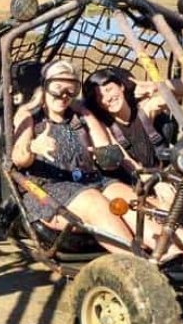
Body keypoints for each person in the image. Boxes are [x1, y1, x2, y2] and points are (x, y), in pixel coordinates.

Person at [11, 60, 140, 252]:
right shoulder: (29, 114)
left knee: (131, 199)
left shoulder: (78, 116)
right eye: (58, 89)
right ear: (45, 86)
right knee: (96, 202)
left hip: (91, 180)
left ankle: (176, 254)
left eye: (71, 90)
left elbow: (108, 156)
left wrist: (86, 113)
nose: (64, 96)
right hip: (49, 189)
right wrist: (33, 147)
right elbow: (18, 158)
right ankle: (138, 262)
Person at [84, 65, 183, 231]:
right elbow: (127, 161)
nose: (108, 98)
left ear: (121, 86)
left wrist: (156, 85)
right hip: (137, 184)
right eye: (100, 96)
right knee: (166, 211)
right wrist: (155, 181)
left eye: (109, 89)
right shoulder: (106, 127)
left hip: (165, 176)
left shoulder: (145, 110)